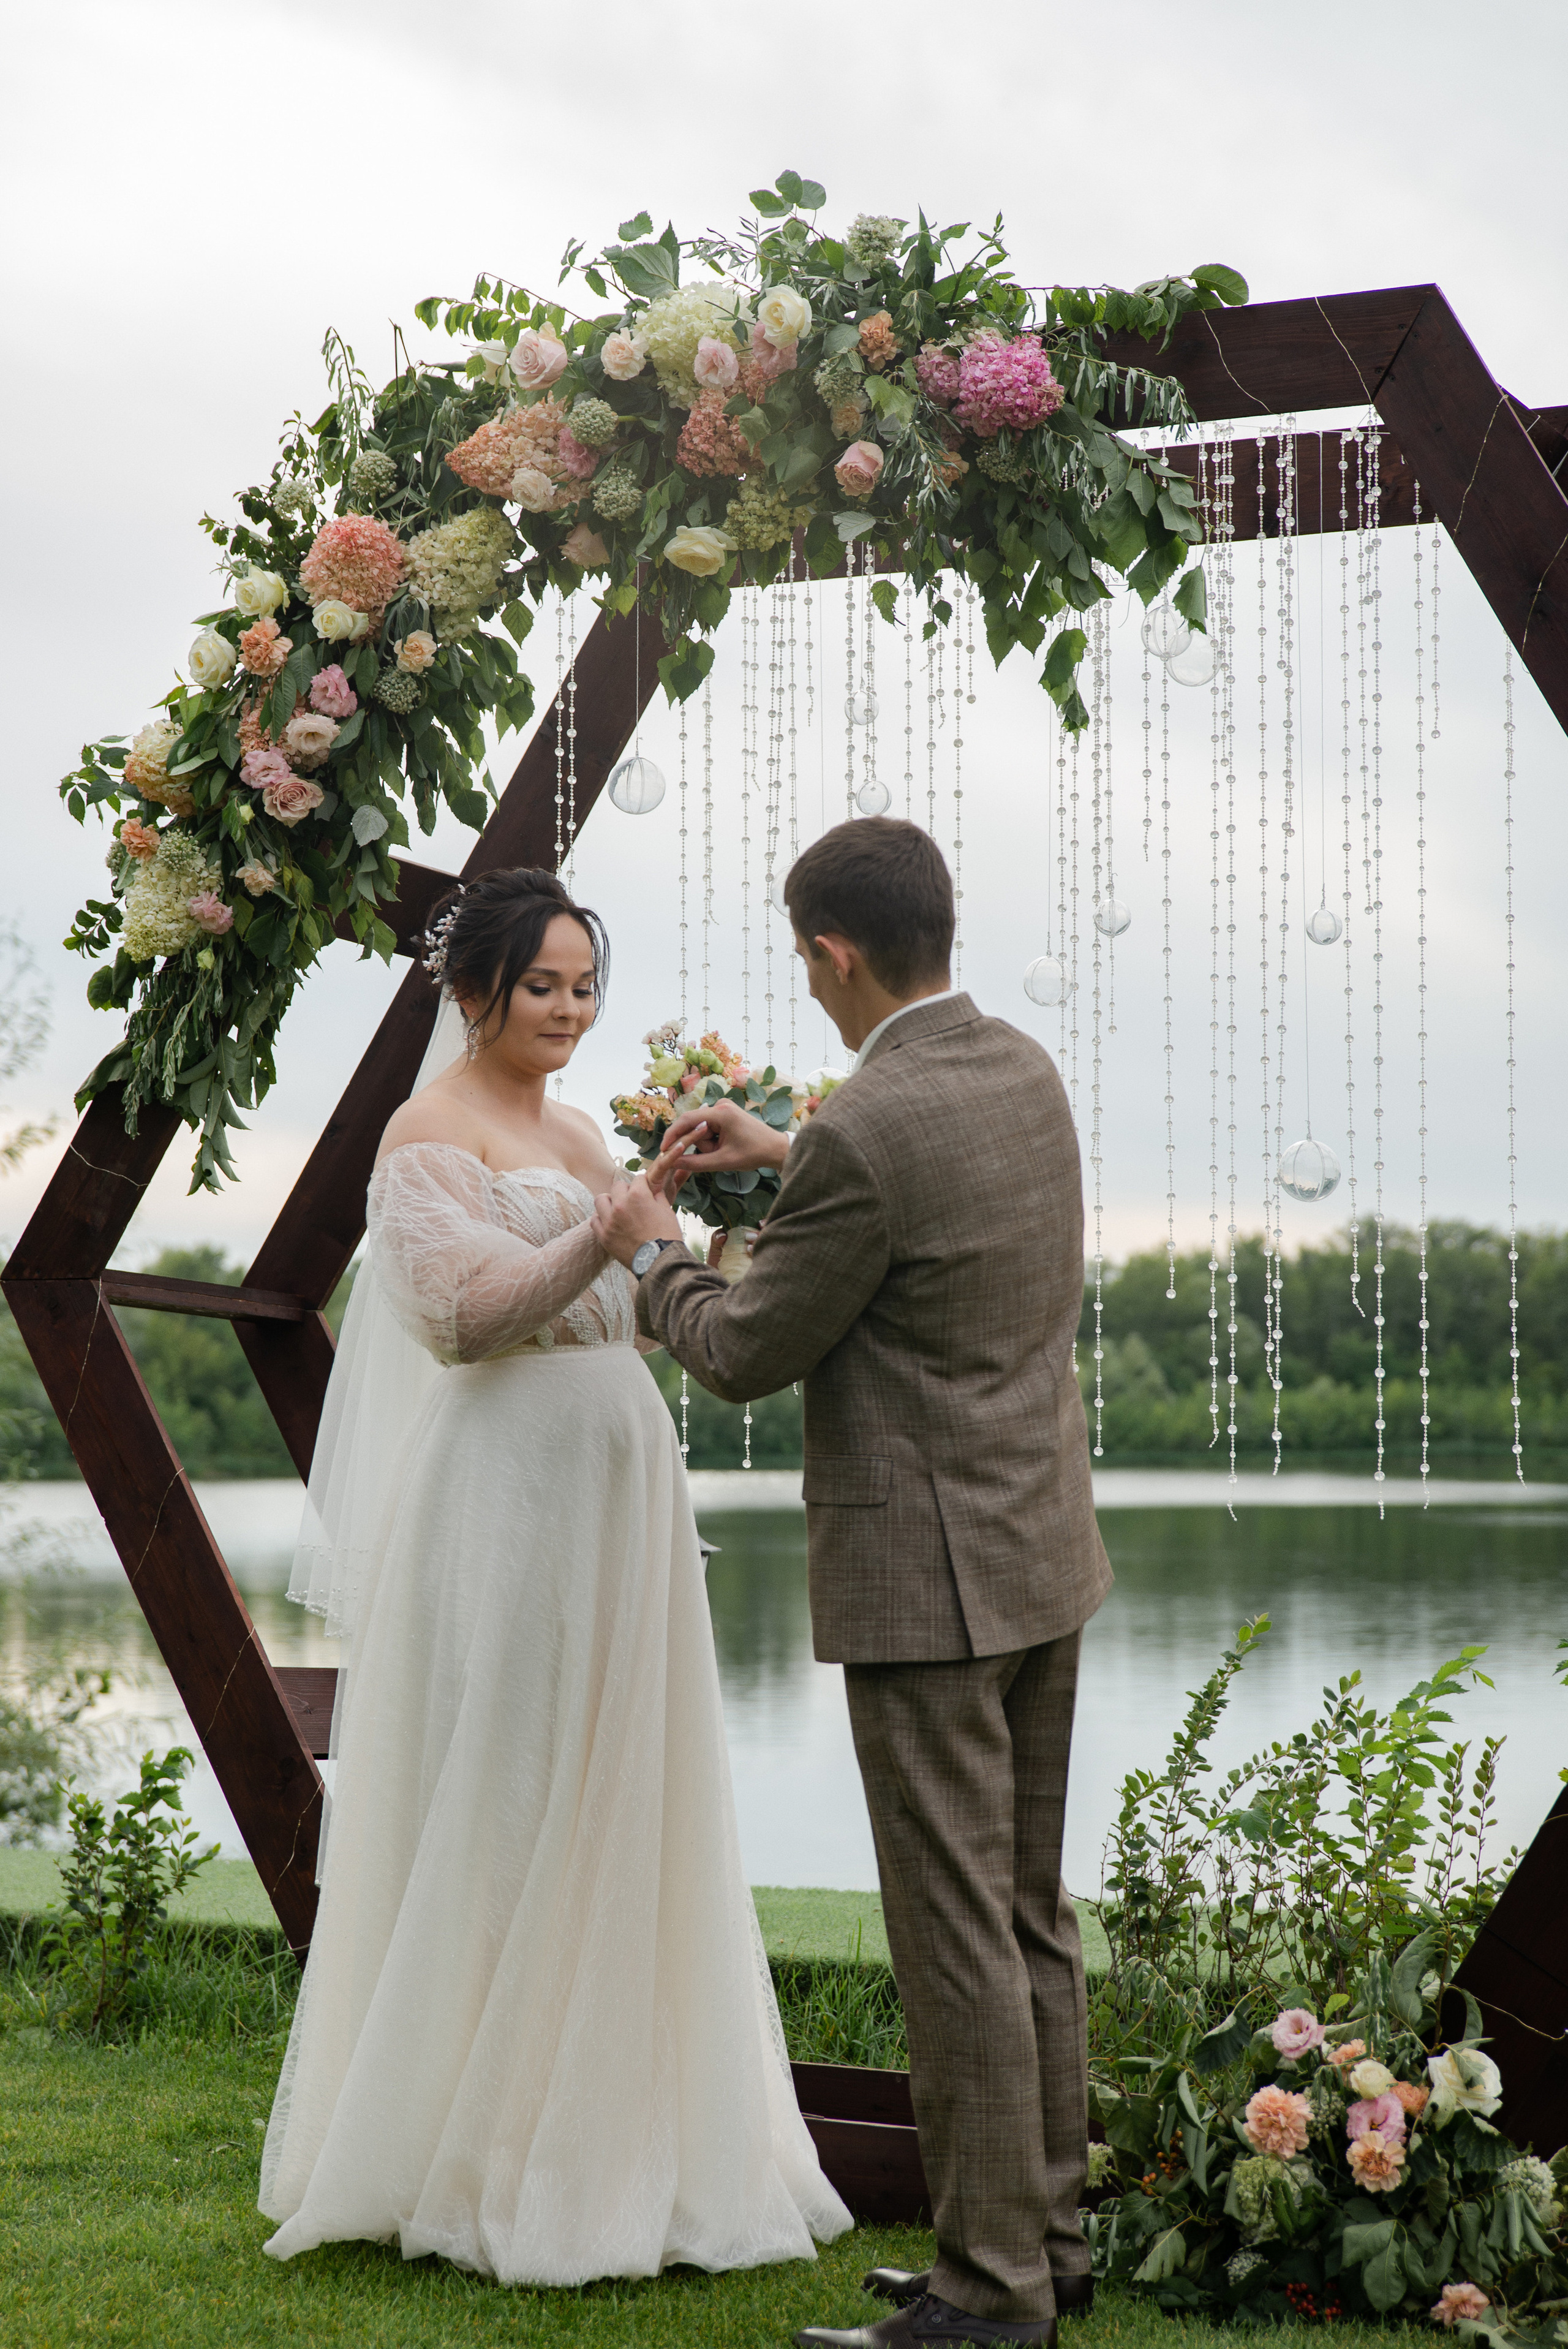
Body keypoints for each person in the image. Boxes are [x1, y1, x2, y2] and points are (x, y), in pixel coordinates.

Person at [259, 866, 850, 2282]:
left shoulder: (584, 1127)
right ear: (475, 992)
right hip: (508, 1482)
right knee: (512, 1781)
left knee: (624, 1779)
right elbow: (460, 1318)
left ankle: (620, 2133)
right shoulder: (427, 1130)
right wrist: (602, 1227)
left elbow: (659, 1289)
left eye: (586, 988)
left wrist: (730, 1204)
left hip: (620, 1472)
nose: (570, 1013)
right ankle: (467, 2144)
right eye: (543, 986)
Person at [592, 819, 1112, 2349]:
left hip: (927, 1589)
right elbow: (898, 1182)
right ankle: (1050, 2244)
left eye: (800, 961)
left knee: (952, 1935)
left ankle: (987, 2297)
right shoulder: (1018, 1067)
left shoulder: (864, 1134)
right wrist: (788, 1155)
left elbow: (746, 1355)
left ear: (830, 951)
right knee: (1025, 1917)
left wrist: (650, 1252)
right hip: (1041, 1555)